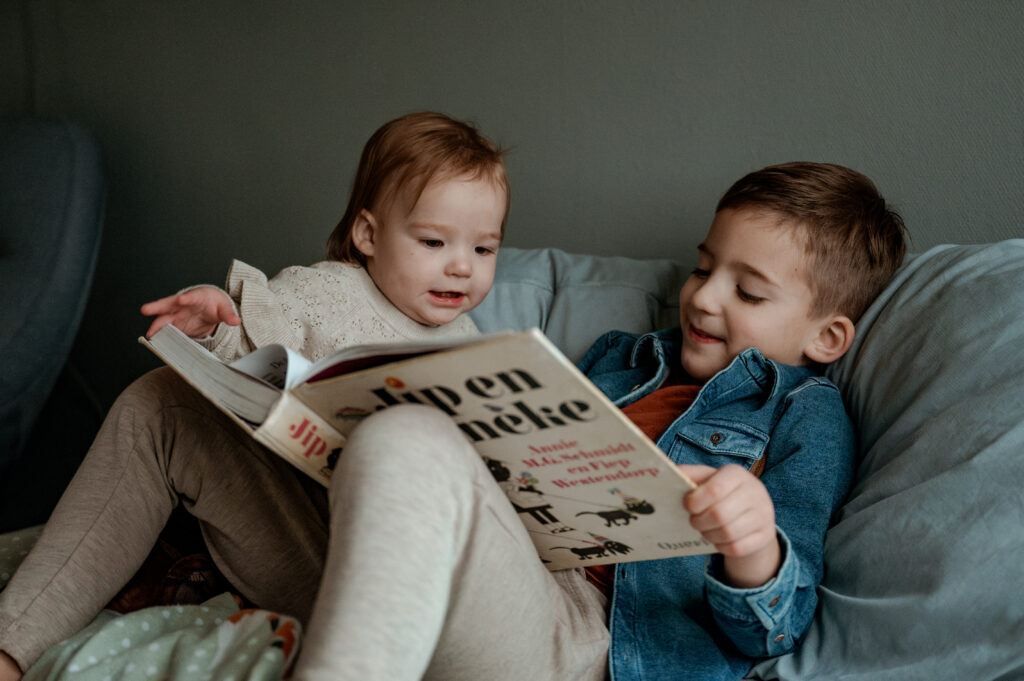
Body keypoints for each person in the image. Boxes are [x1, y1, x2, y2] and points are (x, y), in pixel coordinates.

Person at [288, 162, 909, 681]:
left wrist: (752, 547)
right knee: (188, 405)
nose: (703, 297)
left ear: (827, 337)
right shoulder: (623, 356)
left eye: (747, 292)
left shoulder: (805, 411)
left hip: (593, 636)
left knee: (404, 435)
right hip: (477, 564)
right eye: (702, 268)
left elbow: (778, 626)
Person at [0, 111, 509, 681]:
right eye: (434, 241)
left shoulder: (475, 346)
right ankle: (11, 646)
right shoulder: (325, 293)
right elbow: (258, 349)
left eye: (485, 249)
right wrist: (217, 326)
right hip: (319, 555)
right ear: (369, 234)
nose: (462, 266)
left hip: (448, 596)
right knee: (161, 401)